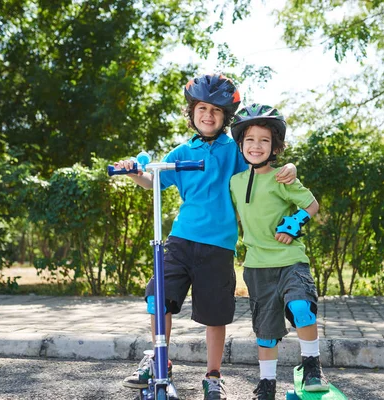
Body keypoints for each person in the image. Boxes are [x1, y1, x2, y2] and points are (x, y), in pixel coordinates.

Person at [113, 75, 297, 400]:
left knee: (215, 314)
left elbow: (262, 163)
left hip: (219, 245)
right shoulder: (183, 151)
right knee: (160, 299)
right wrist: (134, 171)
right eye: (202, 108)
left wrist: (290, 168)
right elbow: (153, 179)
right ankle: (159, 361)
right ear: (192, 111)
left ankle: (213, 377)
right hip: (181, 240)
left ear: (226, 116)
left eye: (215, 110)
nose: (208, 115)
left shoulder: (235, 150)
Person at [229, 104, 329, 400]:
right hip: (257, 266)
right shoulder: (235, 182)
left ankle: (312, 366)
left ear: (274, 147)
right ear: (240, 144)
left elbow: (311, 205)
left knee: (301, 309)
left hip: (290, 260)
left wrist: (293, 225)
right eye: (250, 139)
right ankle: (267, 383)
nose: (256, 146)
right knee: (266, 331)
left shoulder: (282, 177)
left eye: (264, 140)